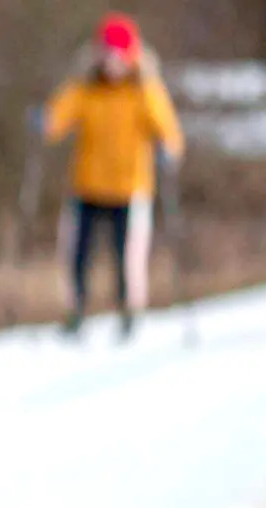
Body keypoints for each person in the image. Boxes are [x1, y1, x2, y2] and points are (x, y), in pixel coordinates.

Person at [39, 12, 184, 340]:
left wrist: (168, 149)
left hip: (130, 187)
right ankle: (76, 311)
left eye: (118, 54)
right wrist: (44, 123)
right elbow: (59, 116)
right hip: (87, 185)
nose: (112, 61)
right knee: (76, 253)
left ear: (131, 55)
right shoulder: (85, 89)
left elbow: (168, 129)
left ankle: (129, 311)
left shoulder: (145, 90)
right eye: (107, 53)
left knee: (127, 256)